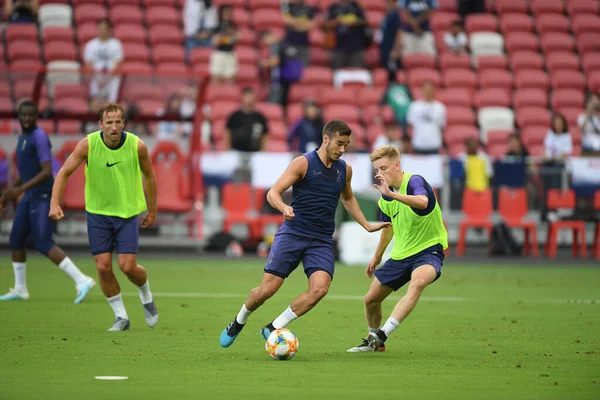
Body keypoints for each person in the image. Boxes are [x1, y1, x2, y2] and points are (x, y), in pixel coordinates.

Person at [219, 120, 391, 348]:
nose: (342, 149)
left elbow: (347, 198)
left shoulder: (344, 170)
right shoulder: (303, 163)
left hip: (320, 240)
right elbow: (273, 193)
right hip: (293, 233)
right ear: (326, 139)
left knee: (320, 288)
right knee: (267, 290)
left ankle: (273, 327)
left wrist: (366, 225)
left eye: (346, 145)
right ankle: (239, 320)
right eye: (339, 143)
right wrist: (283, 207)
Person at [49, 103, 159, 332]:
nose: (114, 127)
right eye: (109, 122)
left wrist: (153, 210)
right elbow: (64, 173)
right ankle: (121, 316)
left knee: (128, 267)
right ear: (100, 125)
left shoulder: (137, 146)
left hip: (127, 214)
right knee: (103, 267)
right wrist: (54, 203)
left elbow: (150, 176)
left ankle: (146, 295)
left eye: (118, 122)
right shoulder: (88, 145)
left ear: (124, 124)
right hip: (98, 214)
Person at [347, 145, 448, 352]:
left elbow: (422, 201)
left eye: (384, 168)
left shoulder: (414, 182)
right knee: (371, 299)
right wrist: (376, 257)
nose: (380, 174)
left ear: (397, 165)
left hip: (429, 250)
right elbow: (388, 227)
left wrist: (392, 195)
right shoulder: (385, 197)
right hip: (401, 255)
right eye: (377, 170)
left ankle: (382, 335)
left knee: (418, 282)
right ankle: (373, 340)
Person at [0, 101, 95, 302]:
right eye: (24, 115)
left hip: (42, 196)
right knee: (16, 239)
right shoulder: (23, 137)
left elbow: (45, 171)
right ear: (19, 116)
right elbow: (26, 171)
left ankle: (83, 279)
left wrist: (19, 189)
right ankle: (20, 289)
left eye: (31, 115)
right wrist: (12, 191)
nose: (27, 118)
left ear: (36, 117)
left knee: (43, 242)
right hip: (29, 197)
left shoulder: (39, 137)